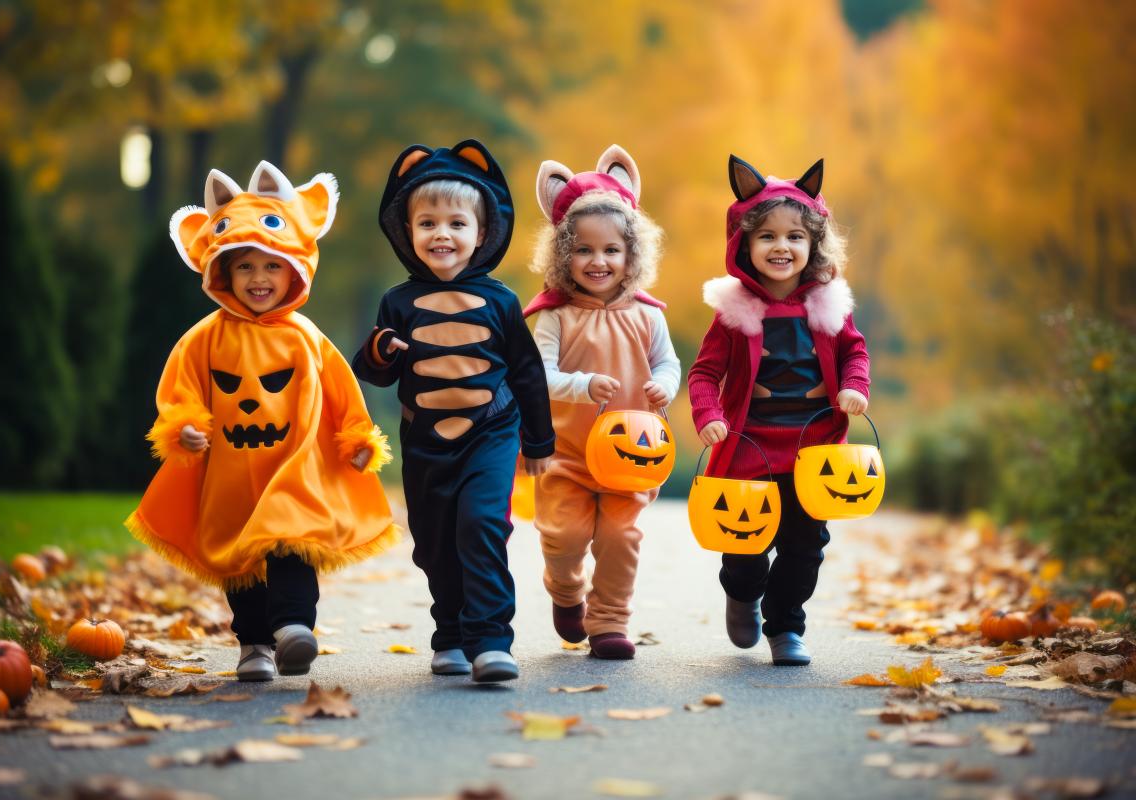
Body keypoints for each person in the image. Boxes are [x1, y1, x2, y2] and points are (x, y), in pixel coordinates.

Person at [126, 161, 398, 682]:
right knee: (241, 559)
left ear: (294, 268)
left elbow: (341, 387)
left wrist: (357, 436)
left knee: (293, 540)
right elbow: (179, 389)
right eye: (244, 267)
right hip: (231, 468)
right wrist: (182, 426)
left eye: (271, 267)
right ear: (221, 273)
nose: (258, 279)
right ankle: (254, 643)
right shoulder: (203, 338)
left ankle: (295, 626)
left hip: (293, 466)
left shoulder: (305, 337)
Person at [352, 139, 554, 683]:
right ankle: (451, 633)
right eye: (428, 224)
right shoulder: (398, 301)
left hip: (490, 433)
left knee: (481, 525)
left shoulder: (501, 301)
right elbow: (373, 371)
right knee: (435, 539)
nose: (442, 234)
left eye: (456, 223)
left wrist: (538, 443)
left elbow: (528, 375)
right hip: (425, 441)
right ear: (407, 232)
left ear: (481, 233)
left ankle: (491, 640)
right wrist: (379, 351)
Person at [688, 156, 870, 666]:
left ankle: (786, 623)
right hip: (750, 447)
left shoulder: (831, 306)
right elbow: (704, 373)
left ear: (813, 244)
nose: (781, 246)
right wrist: (708, 416)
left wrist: (855, 386)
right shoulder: (733, 312)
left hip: (814, 452)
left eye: (795, 236)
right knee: (746, 544)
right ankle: (742, 592)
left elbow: (855, 352)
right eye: (766, 236)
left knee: (805, 544)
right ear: (743, 245)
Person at [524, 145, 680, 660]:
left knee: (620, 538)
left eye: (612, 250)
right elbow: (539, 375)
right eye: (584, 250)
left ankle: (610, 620)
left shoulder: (648, 315)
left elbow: (668, 363)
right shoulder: (554, 316)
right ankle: (566, 591)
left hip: (631, 454)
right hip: (564, 452)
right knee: (564, 535)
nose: (599, 261)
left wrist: (663, 385)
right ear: (562, 254)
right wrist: (582, 385)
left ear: (632, 256)